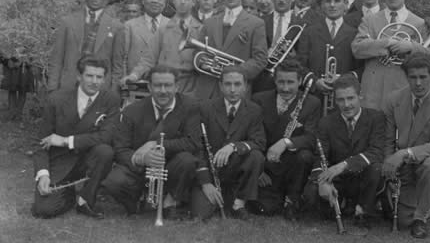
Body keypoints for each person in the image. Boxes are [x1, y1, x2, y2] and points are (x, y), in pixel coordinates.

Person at [102, 65, 201, 218]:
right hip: (141, 170)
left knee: (187, 160)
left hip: (171, 167)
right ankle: (134, 205)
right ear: (149, 87)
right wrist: (142, 158)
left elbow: (193, 142)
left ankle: (170, 201)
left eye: (168, 85)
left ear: (176, 87)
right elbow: (120, 149)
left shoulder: (190, 107)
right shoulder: (132, 111)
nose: (162, 90)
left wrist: (157, 144)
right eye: (157, 85)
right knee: (113, 181)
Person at [32, 56, 120, 219]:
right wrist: (43, 174)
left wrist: (66, 140)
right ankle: (68, 194)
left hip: (89, 158)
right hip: (61, 159)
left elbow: (106, 136)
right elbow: (41, 141)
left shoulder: (111, 100)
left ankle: (85, 199)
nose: (94, 81)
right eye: (89, 76)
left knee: (105, 151)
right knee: (43, 210)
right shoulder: (56, 99)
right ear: (79, 76)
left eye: (99, 77)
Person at [382, 52, 430, 239]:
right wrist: (389, 163)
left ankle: (421, 218)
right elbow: (387, 139)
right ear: (406, 77)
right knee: (399, 221)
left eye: (423, 77)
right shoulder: (393, 100)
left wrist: (404, 154)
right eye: (413, 77)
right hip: (403, 167)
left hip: (427, 164)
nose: (418, 83)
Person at [303, 74, 384, 228]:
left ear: (360, 96)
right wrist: (323, 182)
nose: (346, 105)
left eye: (351, 98)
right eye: (341, 100)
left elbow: (376, 152)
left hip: (362, 178)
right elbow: (320, 157)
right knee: (312, 195)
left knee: (375, 168)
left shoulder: (376, 118)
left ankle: (363, 210)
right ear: (335, 100)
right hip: (338, 180)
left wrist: (344, 165)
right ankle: (342, 204)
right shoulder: (326, 122)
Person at [192, 66, 266, 220]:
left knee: (256, 155)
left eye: (237, 84)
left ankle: (238, 204)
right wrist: (206, 183)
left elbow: (259, 142)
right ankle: (215, 195)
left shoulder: (254, 110)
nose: (232, 89)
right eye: (228, 84)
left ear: (245, 86)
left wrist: (233, 146)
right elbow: (197, 147)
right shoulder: (205, 108)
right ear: (220, 86)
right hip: (211, 173)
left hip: (235, 172)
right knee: (202, 213)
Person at [250, 59, 321, 220]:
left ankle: (292, 200)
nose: (285, 88)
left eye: (291, 82)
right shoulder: (259, 99)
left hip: (293, 166)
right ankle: (275, 196)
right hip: (266, 167)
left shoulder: (312, 103)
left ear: (300, 81)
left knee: (305, 155)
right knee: (266, 209)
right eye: (281, 82)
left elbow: (311, 138)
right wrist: (258, 170)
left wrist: (285, 143)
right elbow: (252, 136)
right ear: (274, 81)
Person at [351, 0, 428, 110]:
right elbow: (357, 48)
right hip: (372, 92)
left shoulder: (419, 23)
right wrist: (386, 43)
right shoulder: (370, 20)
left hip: (404, 89)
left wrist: (411, 46)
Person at [48, 0, 124, 92]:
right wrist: (52, 89)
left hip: (101, 91)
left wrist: (113, 94)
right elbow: (56, 59)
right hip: (69, 88)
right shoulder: (67, 22)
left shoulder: (116, 27)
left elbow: (117, 66)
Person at [121, 0, 203, 94]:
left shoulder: (202, 30)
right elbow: (148, 60)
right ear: (173, 0)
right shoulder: (163, 29)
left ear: (193, 2)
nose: (182, 1)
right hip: (164, 87)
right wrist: (134, 76)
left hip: (190, 89)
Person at [194, 0, 268, 100]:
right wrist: (204, 63)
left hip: (238, 90)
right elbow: (198, 52)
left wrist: (235, 71)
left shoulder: (256, 23)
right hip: (208, 90)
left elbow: (260, 59)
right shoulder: (209, 22)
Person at [296, 0, 363, 113]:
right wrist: (315, 82)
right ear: (321, 5)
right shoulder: (309, 32)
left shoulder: (355, 33)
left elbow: (361, 68)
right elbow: (299, 65)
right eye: (328, 1)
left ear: (346, 4)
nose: (332, 5)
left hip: (345, 102)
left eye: (337, 1)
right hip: (314, 99)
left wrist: (343, 80)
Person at [117, 0, 169, 76]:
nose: (155, 1)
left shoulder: (173, 25)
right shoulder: (130, 26)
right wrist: (124, 84)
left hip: (165, 83)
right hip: (136, 84)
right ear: (143, 1)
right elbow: (123, 59)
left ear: (164, 3)